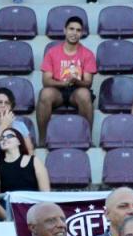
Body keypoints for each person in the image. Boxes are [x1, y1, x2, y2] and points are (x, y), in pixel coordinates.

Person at [37, 16, 96, 144]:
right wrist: (63, 83)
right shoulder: (52, 52)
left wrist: (76, 81)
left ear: (82, 33)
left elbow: (88, 82)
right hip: (57, 90)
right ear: (64, 30)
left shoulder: (88, 54)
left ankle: (86, 139)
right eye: (71, 29)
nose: (74, 33)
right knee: (45, 94)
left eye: (78, 30)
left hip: (77, 89)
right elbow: (46, 81)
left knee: (85, 94)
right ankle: (42, 140)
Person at [0, 87, 33, 168]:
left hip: (17, 168)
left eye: (7, 103)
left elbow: (29, 150)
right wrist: (4, 125)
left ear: (11, 106)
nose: (3, 105)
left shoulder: (21, 125)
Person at [0, 128, 48, 200]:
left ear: (19, 142)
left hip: (34, 206)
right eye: (2, 137)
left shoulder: (35, 161)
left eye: (9, 136)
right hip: (9, 207)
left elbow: (46, 194)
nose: (4, 139)